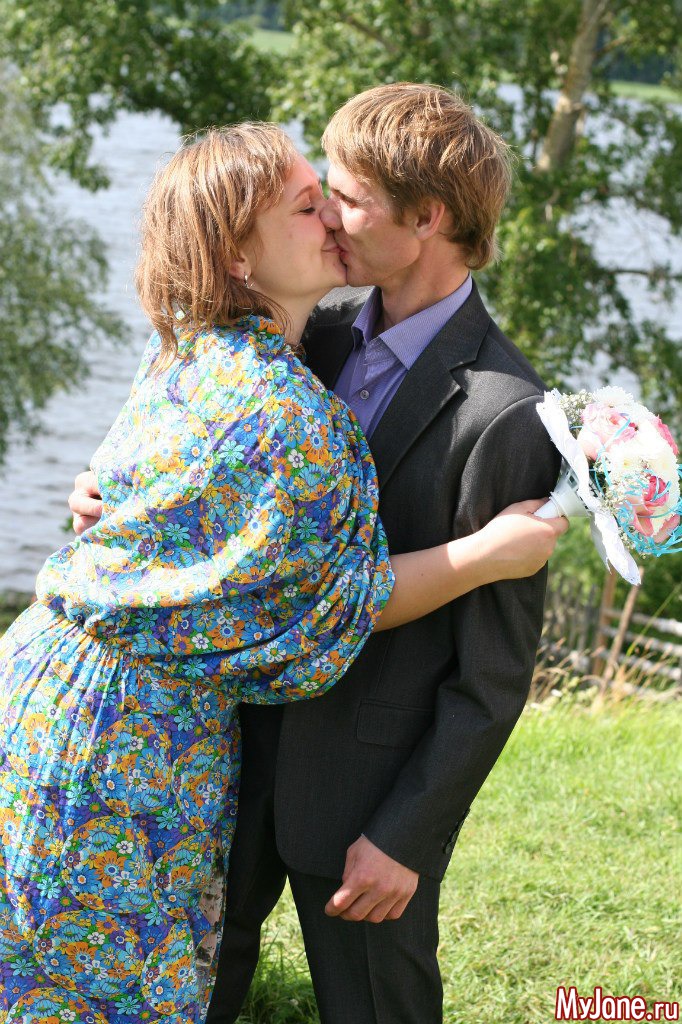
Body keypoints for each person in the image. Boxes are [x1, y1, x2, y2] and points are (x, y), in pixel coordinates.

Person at [1, 121, 564, 1022]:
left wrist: (409, 831)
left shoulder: (505, 410)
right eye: (315, 200)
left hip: (344, 784)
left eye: (343, 197)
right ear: (239, 256)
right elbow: (303, 578)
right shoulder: (296, 347)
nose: (332, 218)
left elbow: (493, 674)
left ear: (425, 217)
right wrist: (107, 498)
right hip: (184, 751)